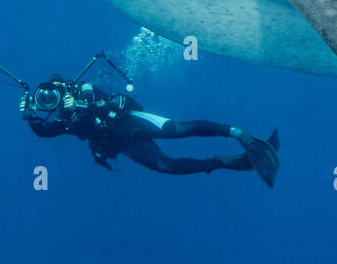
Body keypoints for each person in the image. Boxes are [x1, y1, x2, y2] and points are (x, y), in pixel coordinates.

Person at [20, 76, 280, 187]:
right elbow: (45, 132)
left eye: (53, 91)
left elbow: (108, 98)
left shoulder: (81, 89)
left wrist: (82, 104)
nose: (50, 98)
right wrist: (29, 117)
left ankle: (240, 134)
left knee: (182, 129)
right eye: (45, 99)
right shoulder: (64, 119)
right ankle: (223, 163)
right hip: (124, 143)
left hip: (133, 121)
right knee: (166, 166)